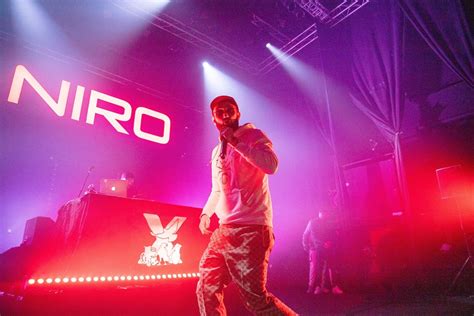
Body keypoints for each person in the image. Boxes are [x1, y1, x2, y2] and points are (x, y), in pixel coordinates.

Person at [196, 95, 296, 315]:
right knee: (206, 284)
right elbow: (217, 189)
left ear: (238, 113)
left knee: (255, 300)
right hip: (225, 231)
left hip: (252, 229)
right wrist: (206, 214)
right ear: (213, 119)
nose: (224, 113)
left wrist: (236, 142)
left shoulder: (254, 136)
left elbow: (271, 165)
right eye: (219, 111)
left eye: (229, 109)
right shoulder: (216, 151)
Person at [302, 211, 343, 295]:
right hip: (315, 248)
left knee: (324, 267)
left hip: (323, 248)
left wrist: (329, 243)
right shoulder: (313, 222)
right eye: (323, 212)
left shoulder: (327, 222)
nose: (325, 214)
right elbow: (310, 235)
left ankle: (321, 286)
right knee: (315, 267)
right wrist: (306, 245)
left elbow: (331, 235)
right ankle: (313, 287)